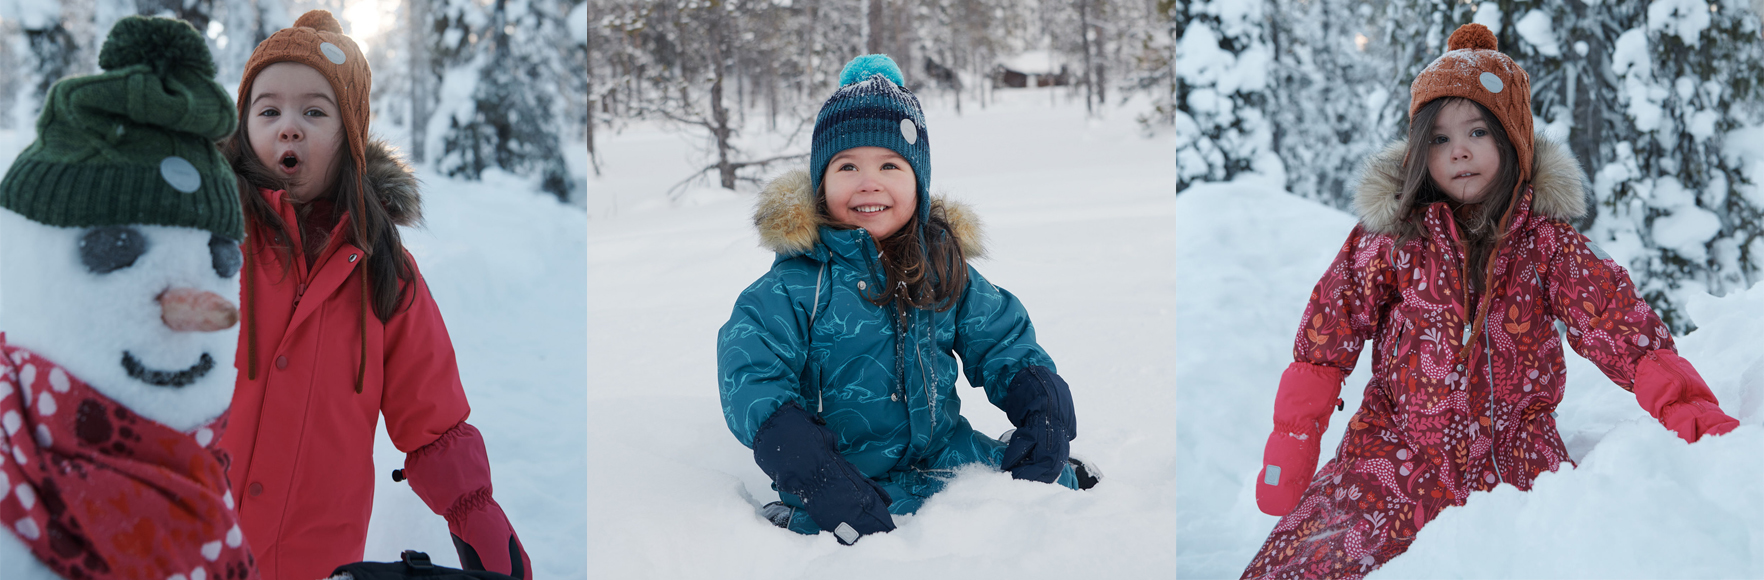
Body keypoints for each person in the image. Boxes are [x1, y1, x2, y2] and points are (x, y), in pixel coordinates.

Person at [1243, 24, 1740, 579]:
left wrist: (1687, 408)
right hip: (1391, 455)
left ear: (1513, 140)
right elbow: (1328, 330)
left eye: (1478, 131)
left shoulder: (1547, 245)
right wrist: (1294, 436)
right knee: (1309, 565)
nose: (1458, 151)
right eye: (1438, 138)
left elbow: (1617, 322)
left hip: (1515, 461)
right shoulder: (1394, 238)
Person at [716, 54, 1099, 547]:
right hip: (843, 475)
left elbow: (1004, 341)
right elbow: (752, 380)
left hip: (944, 455)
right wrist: (814, 473)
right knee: (844, 537)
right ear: (820, 184)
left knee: (1037, 487)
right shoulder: (794, 286)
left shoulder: (941, 266)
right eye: (847, 165)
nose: (868, 181)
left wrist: (1044, 413)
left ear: (917, 182)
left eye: (890, 165)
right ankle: (790, 516)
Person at [217, 11, 529, 579]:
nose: (289, 127)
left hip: (310, 556)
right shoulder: (211, 240)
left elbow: (433, 419)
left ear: (350, 137)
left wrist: (473, 511)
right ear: (244, 130)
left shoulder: (386, 272)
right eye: (269, 111)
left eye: (314, 111)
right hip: (187, 539)